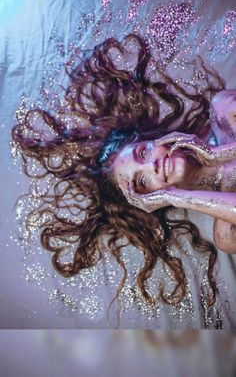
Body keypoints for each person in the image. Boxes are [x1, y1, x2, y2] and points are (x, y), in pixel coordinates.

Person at [11, 33, 235, 311]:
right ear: (154, 199)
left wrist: (215, 153)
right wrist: (178, 197)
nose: (151, 165)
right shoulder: (227, 232)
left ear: (153, 137)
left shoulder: (224, 110)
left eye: (142, 153)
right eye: (142, 181)